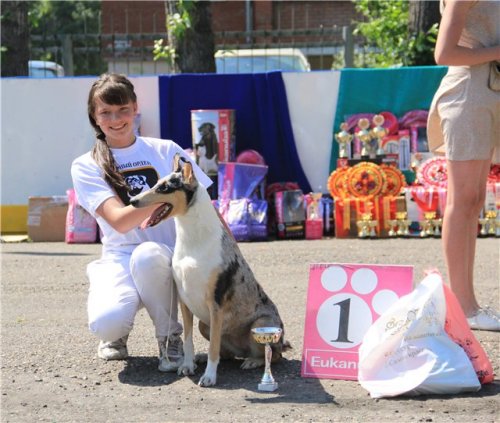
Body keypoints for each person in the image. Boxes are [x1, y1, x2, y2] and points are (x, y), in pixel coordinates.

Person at [71, 73, 213, 370]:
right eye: (105, 112)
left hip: (175, 252)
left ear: (135, 108)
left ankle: (170, 338)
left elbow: (206, 208)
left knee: (148, 256)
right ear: (94, 117)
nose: (116, 118)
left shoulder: (167, 150)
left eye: (123, 109)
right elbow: (121, 222)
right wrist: (167, 195)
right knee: (107, 322)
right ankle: (115, 336)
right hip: (121, 255)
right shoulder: (86, 165)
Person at [427, 0, 500, 331]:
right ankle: (463, 306)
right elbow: (444, 54)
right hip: (469, 92)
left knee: (474, 201)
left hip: (490, 91)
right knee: (464, 200)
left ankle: (466, 306)